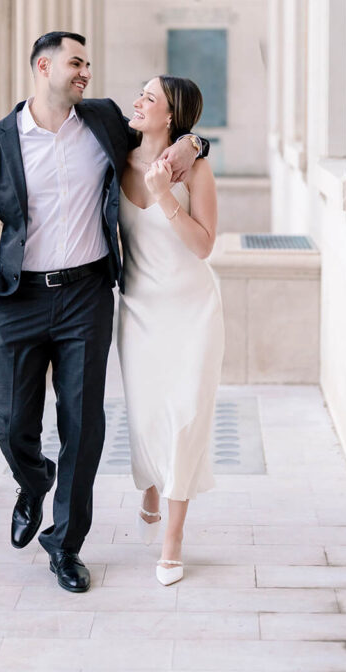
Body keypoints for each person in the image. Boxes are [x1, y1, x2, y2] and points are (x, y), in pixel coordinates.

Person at [0, 32, 206, 593]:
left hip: (85, 296)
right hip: (15, 300)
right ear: (43, 67)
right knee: (9, 421)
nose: (85, 72)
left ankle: (65, 545)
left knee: (83, 424)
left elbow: (171, 131)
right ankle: (33, 480)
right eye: (75, 63)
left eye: (88, 64)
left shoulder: (103, 122)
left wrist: (195, 143)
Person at [117, 75, 225, 586]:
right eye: (140, 93)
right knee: (145, 418)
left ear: (171, 115)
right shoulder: (115, 157)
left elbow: (203, 246)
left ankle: (173, 543)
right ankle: (150, 487)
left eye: (150, 97)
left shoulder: (195, 169)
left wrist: (165, 196)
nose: (138, 101)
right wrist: (193, 139)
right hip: (138, 311)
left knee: (184, 419)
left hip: (192, 312)